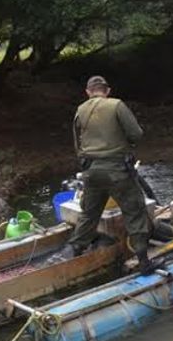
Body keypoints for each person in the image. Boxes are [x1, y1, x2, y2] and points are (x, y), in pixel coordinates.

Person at [64, 75, 163, 275]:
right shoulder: (117, 105)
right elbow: (136, 134)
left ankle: (71, 255)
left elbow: (77, 144)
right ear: (107, 90)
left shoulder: (80, 111)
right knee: (135, 212)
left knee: (89, 214)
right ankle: (144, 262)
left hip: (91, 172)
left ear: (88, 92)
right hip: (118, 172)